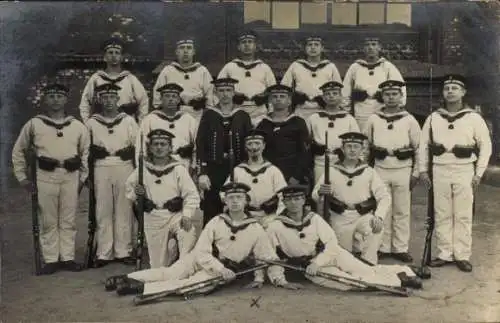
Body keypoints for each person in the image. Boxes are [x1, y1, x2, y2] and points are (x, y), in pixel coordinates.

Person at [105, 182, 301, 296]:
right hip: (204, 261)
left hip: (222, 269)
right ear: (225, 201)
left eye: (239, 198)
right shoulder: (216, 221)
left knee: (191, 287)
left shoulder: (256, 228)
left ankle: (140, 288)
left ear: (246, 201)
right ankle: (126, 278)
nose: (234, 201)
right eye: (230, 198)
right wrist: (219, 268)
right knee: (171, 272)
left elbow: (266, 257)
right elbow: (201, 251)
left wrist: (278, 279)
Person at [266, 184, 423, 290]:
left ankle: (406, 271)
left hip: (329, 255)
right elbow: (272, 256)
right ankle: (398, 281)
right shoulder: (275, 226)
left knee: (365, 269)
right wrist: (280, 280)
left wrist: (318, 261)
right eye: (289, 199)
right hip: (310, 268)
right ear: (284, 202)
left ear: (303, 200)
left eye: (297, 199)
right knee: (349, 283)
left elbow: (332, 243)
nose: (293, 203)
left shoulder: (314, 219)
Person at [12, 83, 90, 274]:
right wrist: (22, 177)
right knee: (48, 218)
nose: (56, 100)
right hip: (45, 175)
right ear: (45, 100)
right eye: (52, 96)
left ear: (66, 99)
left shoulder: (77, 126)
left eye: (59, 96)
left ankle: (68, 257)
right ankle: (51, 259)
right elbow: (19, 151)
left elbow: (86, 153)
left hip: (70, 175)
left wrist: (82, 177)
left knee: (68, 218)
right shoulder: (34, 125)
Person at [419, 74, 492, 272]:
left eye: (455, 88)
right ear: (443, 93)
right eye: (447, 88)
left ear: (463, 92)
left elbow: (485, 146)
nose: (450, 92)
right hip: (440, 168)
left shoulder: (474, 118)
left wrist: (479, 173)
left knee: (462, 213)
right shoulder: (434, 117)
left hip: (464, 169)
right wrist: (423, 170)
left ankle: (461, 254)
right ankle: (444, 253)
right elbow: (423, 145)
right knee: (442, 212)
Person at [363, 80, 421, 263]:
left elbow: (419, 147)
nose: (390, 97)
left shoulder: (409, 120)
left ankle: (400, 247)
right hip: (381, 168)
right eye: (387, 94)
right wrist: (366, 170)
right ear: (382, 96)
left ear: (401, 96)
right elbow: (365, 145)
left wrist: (416, 172)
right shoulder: (374, 119)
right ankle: (383, 246)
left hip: (402, 168)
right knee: (383, 208)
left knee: (402, 210)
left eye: (394, 94)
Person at [312, 132, 390, 265]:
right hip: (340, 217)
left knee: (376, 229)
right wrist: (321, 192)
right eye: (349, 146)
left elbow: (384, 196)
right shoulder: (332, 171)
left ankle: (369, 264)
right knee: (343, 258)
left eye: (356, 146)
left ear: (362, 149)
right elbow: (314, 195)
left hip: (363, 216)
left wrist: (379, 216)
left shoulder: (368, 171)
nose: (352, 150)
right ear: (342, 149)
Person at [125, 128, 200, 268]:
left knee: (188, 232)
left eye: (163, 144)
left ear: (170, 147)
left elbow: (192, 195)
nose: (159, 147)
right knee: (158, 266)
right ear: (150, 148)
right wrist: (137, 193)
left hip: (174, 215)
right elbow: (129, 189)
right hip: (153, 217)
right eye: (156, 144)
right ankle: (171, 254)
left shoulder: (178, 169)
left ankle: (183, 266)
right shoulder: (143, 169)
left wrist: (187, 215)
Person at [86, 83, 138, 267]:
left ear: (118, 99)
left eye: (112, 97)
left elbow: (138, 146)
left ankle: (124, 250)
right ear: (100, 100)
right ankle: (103, 252)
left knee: (124, 207)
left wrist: (136, 168)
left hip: (124, 165)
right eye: (105, 97)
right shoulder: (92, 122)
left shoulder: (128, 121)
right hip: (101, 166)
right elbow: (85, 149)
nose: (109, 101)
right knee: (103, 208)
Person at [196, 78, 253, 227]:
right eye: (221, 91)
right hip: (215, 169)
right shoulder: (209, 115)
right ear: (215, 93)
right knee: (212, 209)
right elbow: (201, 145)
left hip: (238, 168)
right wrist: (202, 172)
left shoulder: (242, 115)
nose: (225, 94)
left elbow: (250, 143)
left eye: (228, 90)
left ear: (234, 92)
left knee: (237, 206)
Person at [222, 129, 288, 228]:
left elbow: (284, 196)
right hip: (244, 216)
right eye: (250, 144)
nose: (253, 147)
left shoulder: (273, 170)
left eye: (257, 143)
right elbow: (223, 193)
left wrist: (275, 216)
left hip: (268, 217)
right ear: (245, 147)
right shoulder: (237, 170)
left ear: (264, 146)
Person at [342, 36, 406, 132]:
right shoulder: (355, 67)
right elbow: (345, 91)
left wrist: (398, 106)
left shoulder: (387, 67)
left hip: (381, 110)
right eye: (367, 45)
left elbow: (401, 88)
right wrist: (346, 111)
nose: (370, 48)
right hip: (361, 111)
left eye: (374, 44)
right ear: (364, 48)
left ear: (379, 47)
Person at [79, 37, 149, 124]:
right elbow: (85, 102)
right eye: (110, 53)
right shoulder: (96, 79)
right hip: (102, 123)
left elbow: (143, 101)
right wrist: (87, 123)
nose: (114, 56)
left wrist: (139, 123)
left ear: (121, 57)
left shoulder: (130, 79)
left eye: (117, 53)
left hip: (126, 124)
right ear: (104, 57)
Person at [218, 30, 277, 126]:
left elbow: (273, 91)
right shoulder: (230, 67)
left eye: (250, 42)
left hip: (259, 111)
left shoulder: (264, 67)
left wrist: (271, 111)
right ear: (239, 47)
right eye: (243, 42)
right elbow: (217, 88)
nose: (247, 45)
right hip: (236, 110)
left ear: (255, 46)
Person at [256, 84, 311, 187]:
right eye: (275, 96)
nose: (278, 99)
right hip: (269, 173)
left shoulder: (298, 122)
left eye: (282, 96)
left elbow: (305, 152)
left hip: (292, 174)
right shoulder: (263, 123)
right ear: (270, 100)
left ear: (289, 101)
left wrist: (297, 176)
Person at [136, 83, 198, 172]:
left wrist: (194, 166)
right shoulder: (150, 119)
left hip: (183, 163)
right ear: (161, 99)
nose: (171, 99)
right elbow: (140, 146)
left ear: (178, 100)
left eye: (174, 96)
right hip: (156, 165)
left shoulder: (188, 119)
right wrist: (142, 169)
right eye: (167, 96)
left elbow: (197, 145)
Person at [281, 35, 342, 122]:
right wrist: (294, 98)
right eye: (310, 45)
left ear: (322, 48)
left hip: (323, 109)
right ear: (305, 48)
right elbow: (284, 88)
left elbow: (339, 90)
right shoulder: (296, 66)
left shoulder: (330, 67)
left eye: (316, 45)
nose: (313, 47)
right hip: (301, 110)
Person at [152, 37, 215, 121]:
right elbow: (157, 94)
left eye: (189, 48)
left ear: (193, 52)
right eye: (182, 48)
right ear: (177, 52)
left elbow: (211, 94)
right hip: (173, 115)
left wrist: (207, 113)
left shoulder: (202, 71)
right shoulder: (168, 70)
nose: (185, 51)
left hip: (197, 115)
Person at [308, 81, 360, 184]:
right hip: (321, 162)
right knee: (321, 193)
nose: (331, 96)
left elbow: (358, 142)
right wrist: (314, 148)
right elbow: (306, 141)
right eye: (327, 94)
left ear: (341, 96)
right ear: (323, 97)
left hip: (342, 162)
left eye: (335, 93)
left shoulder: (349, 119)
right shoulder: (314, 118)